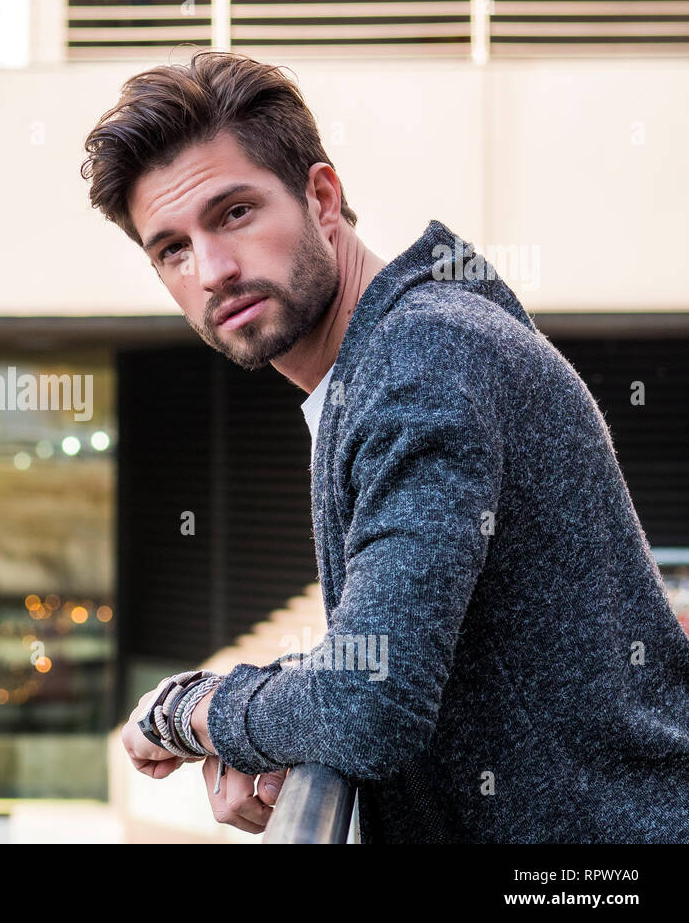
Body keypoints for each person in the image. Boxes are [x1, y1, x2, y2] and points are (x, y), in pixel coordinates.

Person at [83, 49, 689, 842]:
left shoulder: (422, 360)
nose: (214, 270)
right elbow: (389, 655)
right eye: (172, 248)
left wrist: (191, 709)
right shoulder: (399, 348)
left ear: (321, 197)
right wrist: (274, 726)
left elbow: (370, 698)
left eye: (234, 212)